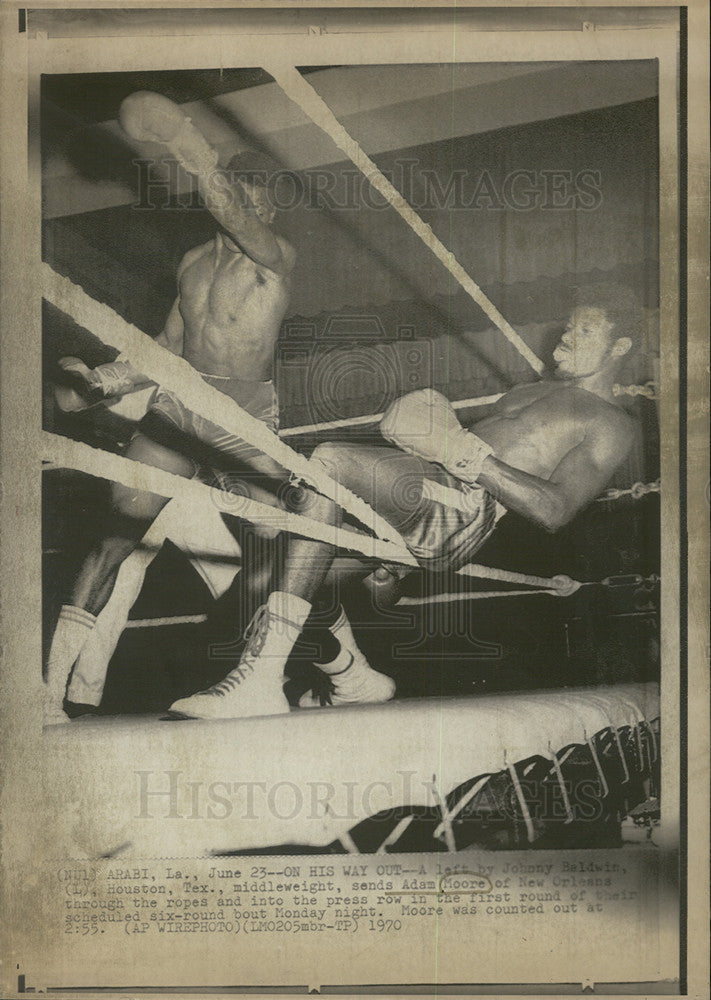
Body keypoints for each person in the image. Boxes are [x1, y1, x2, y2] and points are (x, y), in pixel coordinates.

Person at [167, 285, 642, 721]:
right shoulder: (529, 391)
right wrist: (439, 427)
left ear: (621, 347)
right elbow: (440, 441)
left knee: (330, 460)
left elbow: (555, 510)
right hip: (425, 497)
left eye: (586, 330)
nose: (566, 335)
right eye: (568, 325)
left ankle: (262, 680)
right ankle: (353, 677)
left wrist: (465, 454)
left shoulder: (611, 422)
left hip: (464, 508)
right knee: (263, 578)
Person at [44, 91, 298, 724]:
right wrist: (102, 380)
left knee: (278, 542)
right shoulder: (190, 263)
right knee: (115, 533)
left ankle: (318, 669)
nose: (251, 202)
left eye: (257, 195)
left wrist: (187, 141)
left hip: (244, 411)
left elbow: (235, 215)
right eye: (246, 189)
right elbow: (164, 348)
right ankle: (46, 693)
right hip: (181, 402)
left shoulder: (276, 258)